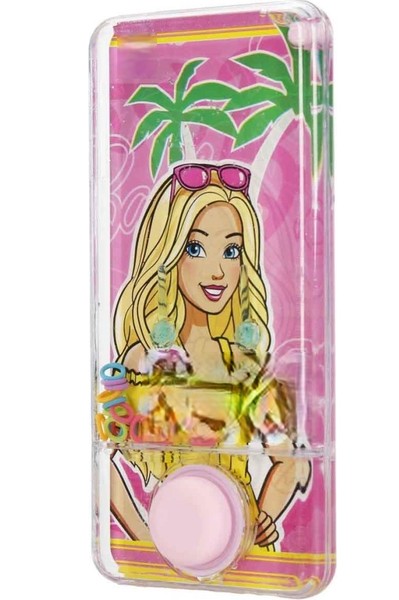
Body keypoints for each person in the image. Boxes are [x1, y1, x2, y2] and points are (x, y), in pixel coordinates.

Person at [110, 163, 310, 549]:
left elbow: (290, 459)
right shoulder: (140, 363)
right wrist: (145, 537)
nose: (218, 271)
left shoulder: (245, 366)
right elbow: (104, 463)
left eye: (232, 251)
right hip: (172, 536)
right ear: (168, 253)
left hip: (243, 548)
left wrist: (264, 518)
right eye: (195, 248)